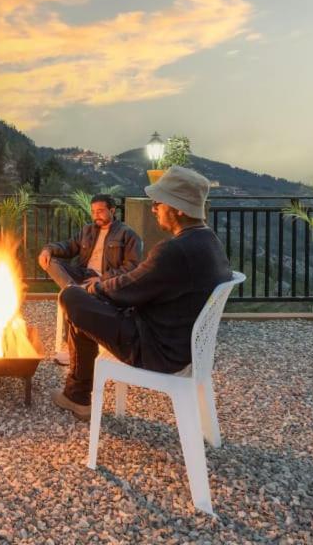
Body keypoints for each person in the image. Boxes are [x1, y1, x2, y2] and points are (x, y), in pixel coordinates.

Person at [51, 167, 232, 420]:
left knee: (72, 298)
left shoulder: (174, 251)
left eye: (158, 203)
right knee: (84, 307)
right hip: (179, 343)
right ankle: (76, 394)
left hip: (156, 348)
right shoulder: (209, 241)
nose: (153, 209)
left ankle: (77, 395)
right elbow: (138, 285)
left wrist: (92, 288)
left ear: (179, 209)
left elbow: (128, 287)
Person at [37, 193, 142, 290]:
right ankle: (73, 290)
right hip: (83, 274)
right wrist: (48, 250)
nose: (96, 215)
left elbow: (131, 266)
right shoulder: (87, 230)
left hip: (106, 280)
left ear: (112, 211)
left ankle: (74, 292)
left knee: (86, 289)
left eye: (100, 211)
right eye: (93, 212)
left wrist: (102, 279)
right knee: (50, 261)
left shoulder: (127, 234)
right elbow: (69, 246)